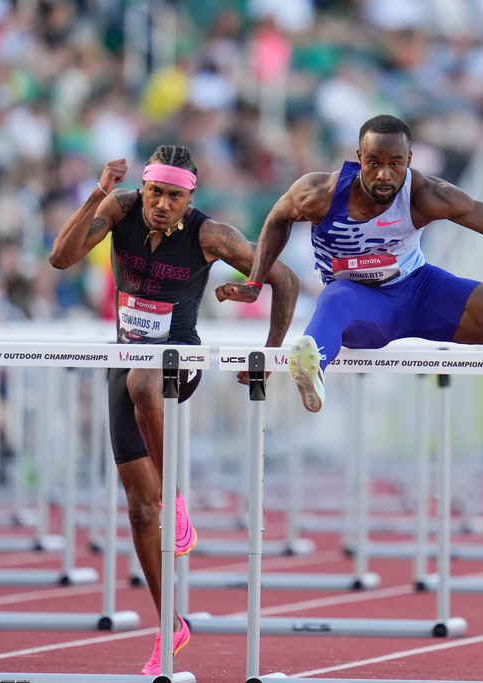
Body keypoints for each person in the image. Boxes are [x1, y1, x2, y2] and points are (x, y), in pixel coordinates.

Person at [48, 146, 300, 674]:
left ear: (190, 198)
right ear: (142, 188)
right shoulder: (118, 208)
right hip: (124, 358)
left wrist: (270, 355)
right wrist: (97, 192)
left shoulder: (210, 236)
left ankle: (176, 497)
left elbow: (286, 280)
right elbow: (61, 258)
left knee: (145, 384)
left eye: (174, 196)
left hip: (179, 356)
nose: (162, 205)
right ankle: (171, 627)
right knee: (140, 511)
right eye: (155, 193)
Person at [218, 114, 483, 413]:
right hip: (362, 305)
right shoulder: (319, 193)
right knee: (335, 298)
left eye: (395, 164)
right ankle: (311, 365)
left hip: (423, 291)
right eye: (374, 163)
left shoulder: (429, 195)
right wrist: (255, 282)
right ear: (359, 158)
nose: (384, 175)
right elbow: (278, 219)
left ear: (409, 160)